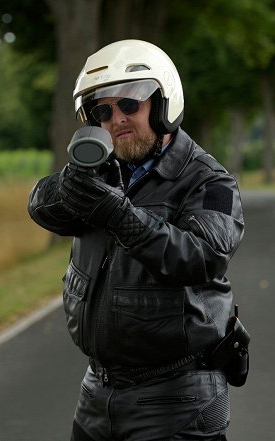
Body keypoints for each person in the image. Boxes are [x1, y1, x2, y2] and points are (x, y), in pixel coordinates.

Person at [28, 39, 245, 441]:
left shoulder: (210, 181)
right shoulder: (103, 169)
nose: (117, 119)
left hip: (177, 397)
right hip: (97, 391)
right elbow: (42, 209)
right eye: (103, 111)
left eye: (130, 104)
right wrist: (67, 184)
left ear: (163, 105)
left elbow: (201, 256)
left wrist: (118, 214)